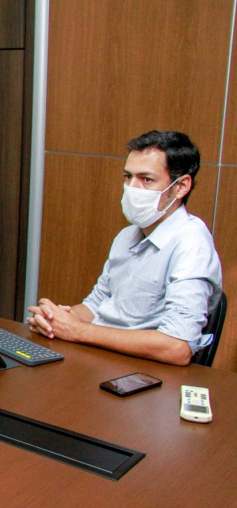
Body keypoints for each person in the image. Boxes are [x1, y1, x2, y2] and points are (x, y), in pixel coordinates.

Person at [28, 130, 222, 366]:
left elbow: (177, 347)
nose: (132, 188)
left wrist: (77, 331)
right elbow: (97, 304)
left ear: (180, 187)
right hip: (100, 361)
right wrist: (55, 320)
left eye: (146, 179)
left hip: (145, 374)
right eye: (128, 177)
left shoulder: (192, 243)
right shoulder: (127, 235)